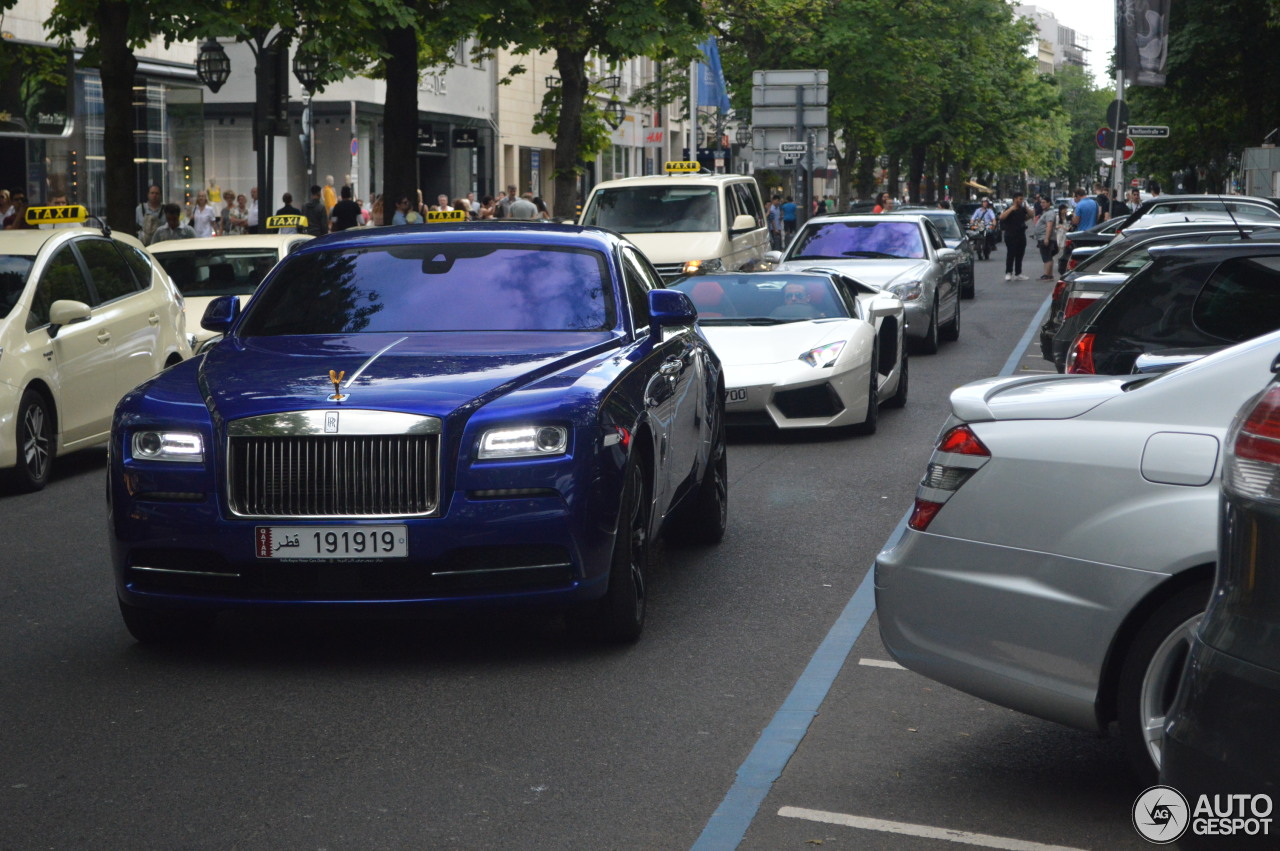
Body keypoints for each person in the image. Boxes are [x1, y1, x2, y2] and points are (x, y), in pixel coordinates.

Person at [998, 191, 1032, 280]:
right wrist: (1012, 209)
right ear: (1015, 199)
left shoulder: (1022, 209)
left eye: (1022, 199)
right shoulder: (1009, 209)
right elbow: (1001, 217)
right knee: (1011, 253)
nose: (1021, 201)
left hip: (1021, 234)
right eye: (1020, 199)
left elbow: (1031, 215)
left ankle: (1018, 273)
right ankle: (1008, 272)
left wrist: (1026, 208)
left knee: (1020, 254)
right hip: (1010, 235)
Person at [1030, 199, 1058, 280]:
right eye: (1041, 203)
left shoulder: (1049, 213)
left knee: (1046, 257)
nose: (1042, 204)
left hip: (1045, 238)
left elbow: (1049, 226)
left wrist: (1046, 238)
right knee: (1047, 256)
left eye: (1044, 202)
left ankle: (1047, 275)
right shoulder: (1045, 213)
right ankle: (1048, 274)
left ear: (1049, 203)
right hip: (1042, 237)